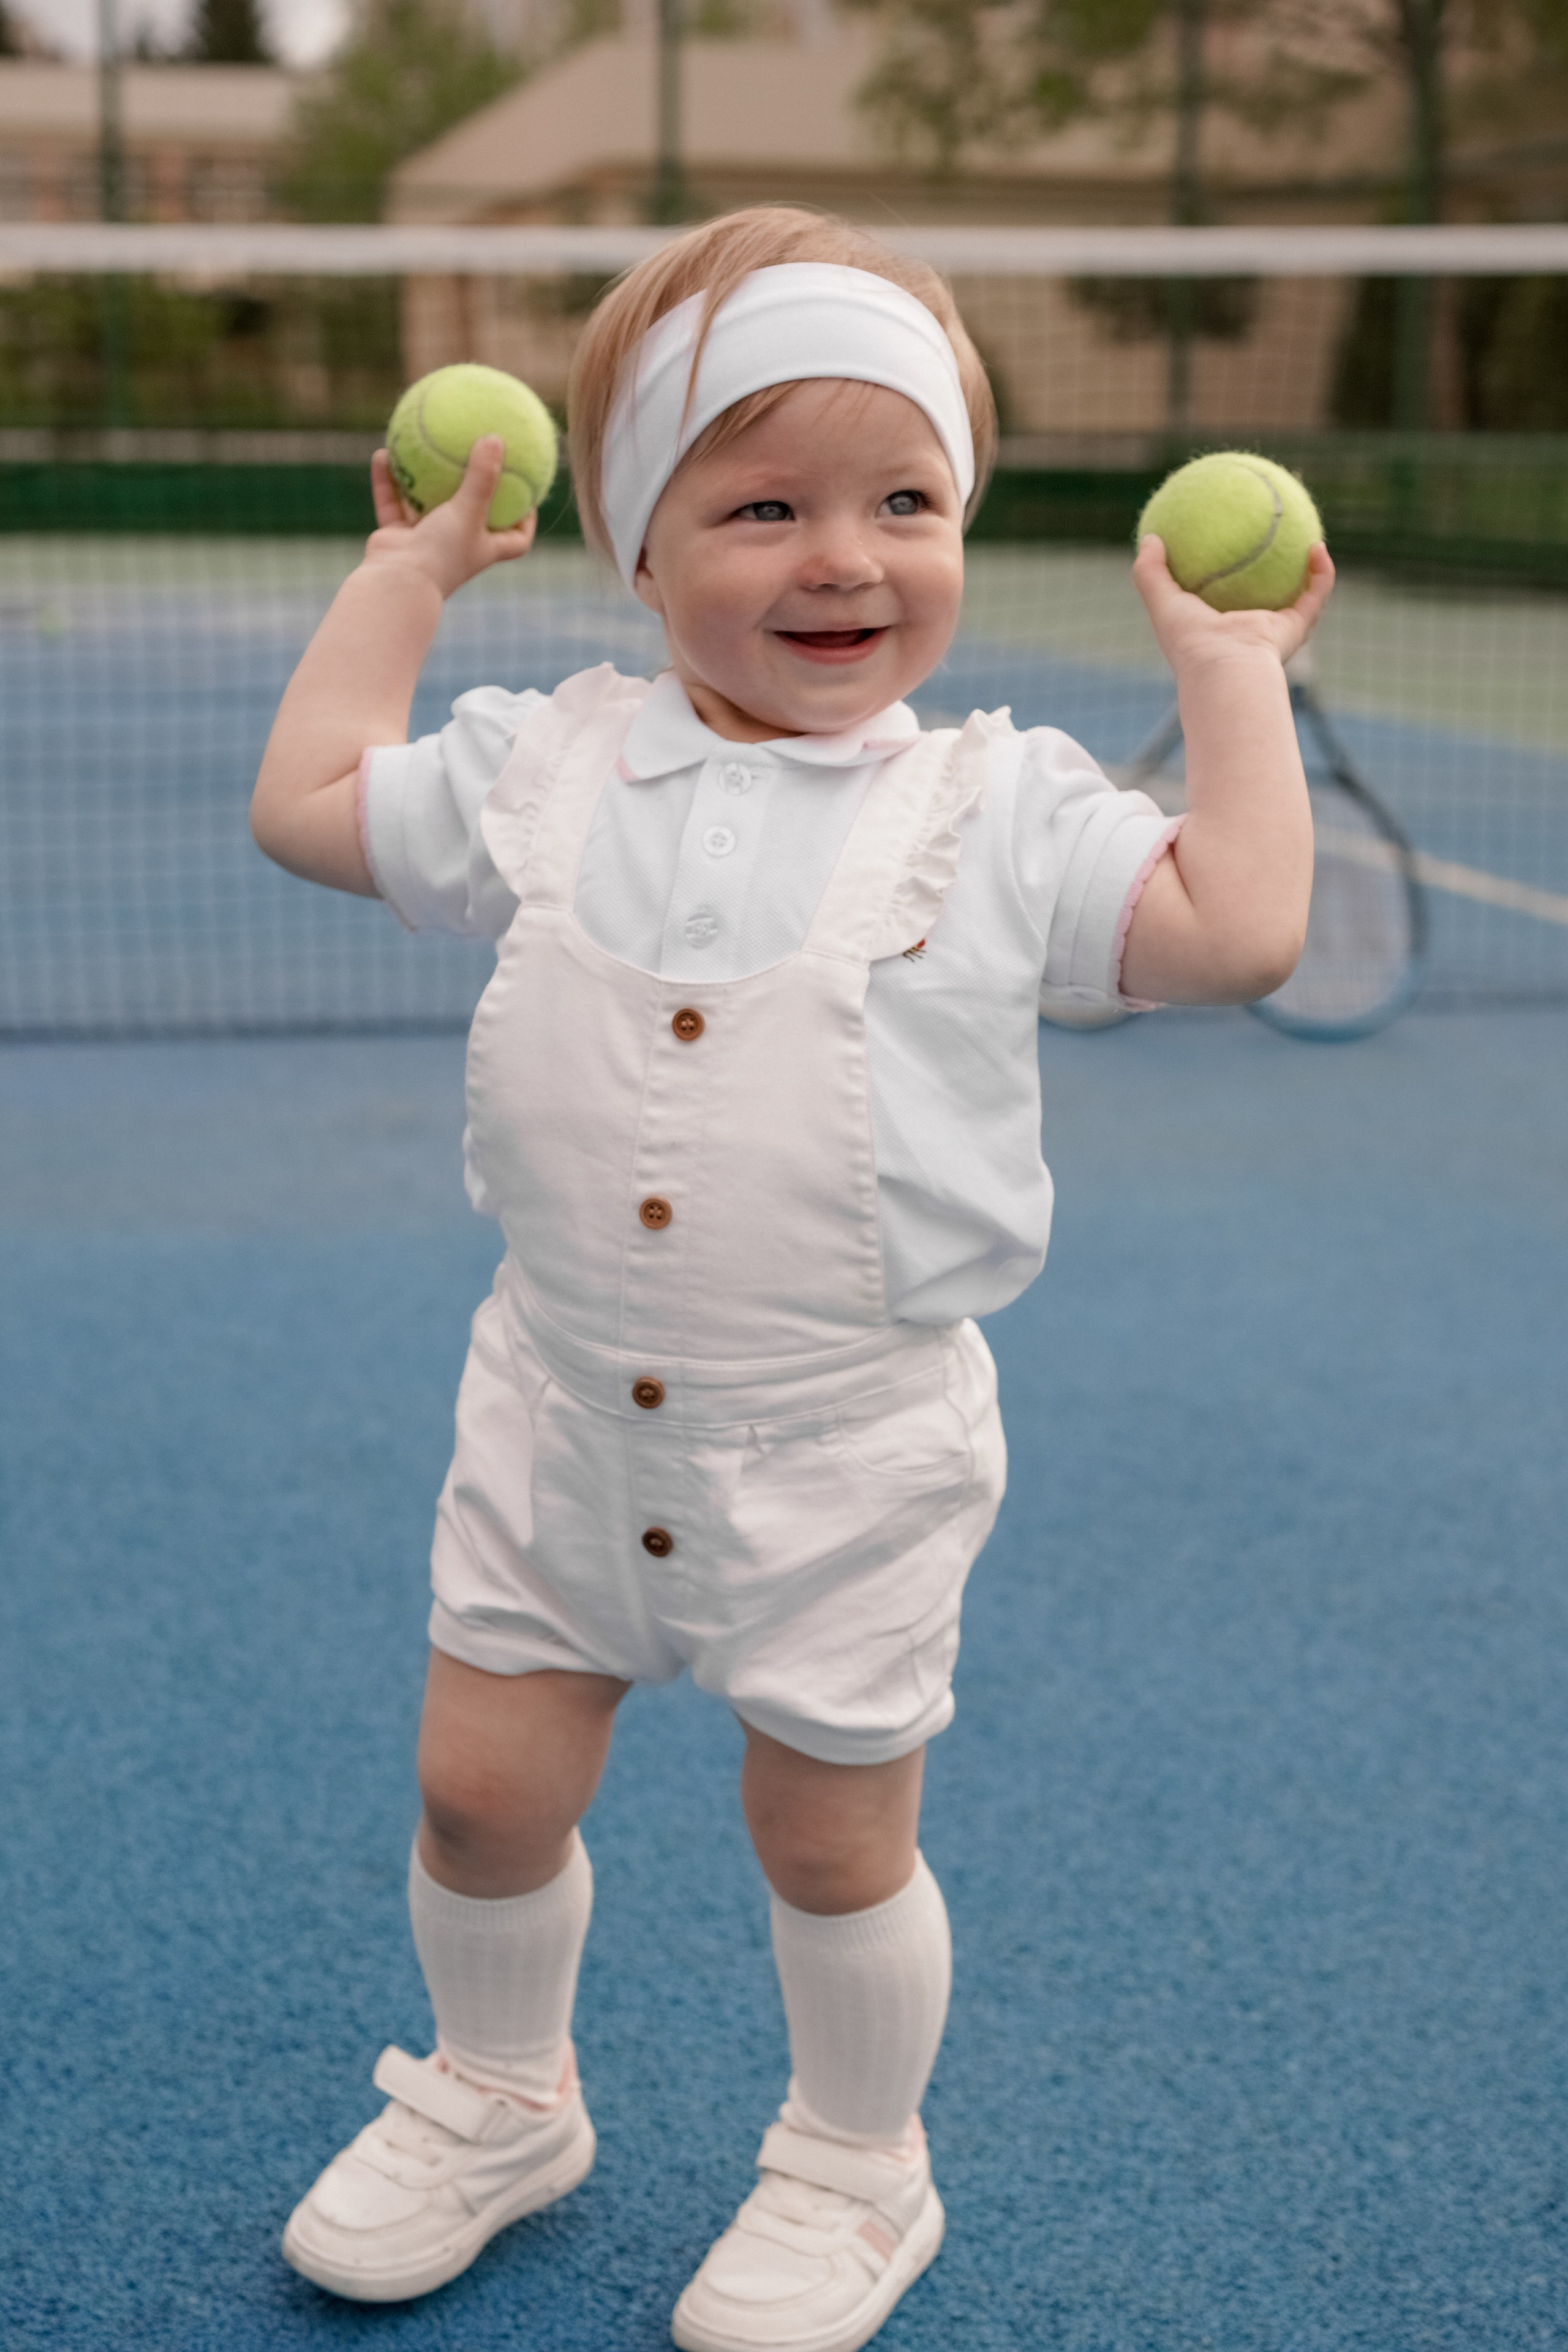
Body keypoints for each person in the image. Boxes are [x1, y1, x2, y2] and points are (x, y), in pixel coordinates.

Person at [250, 205, 1329, 2352]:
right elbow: (304, 803)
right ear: (640, 549)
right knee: (480, 1791)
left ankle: (856, 2166)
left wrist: (1229, 680)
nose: (846, 556)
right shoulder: (546, 762)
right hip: (553, 1413)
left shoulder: (997, 807)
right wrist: (407, 574)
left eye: (904, 500)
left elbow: (1237, 931)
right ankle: (498, 2095)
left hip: (846, 1452)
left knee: (828, 1843)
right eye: (764, 506)